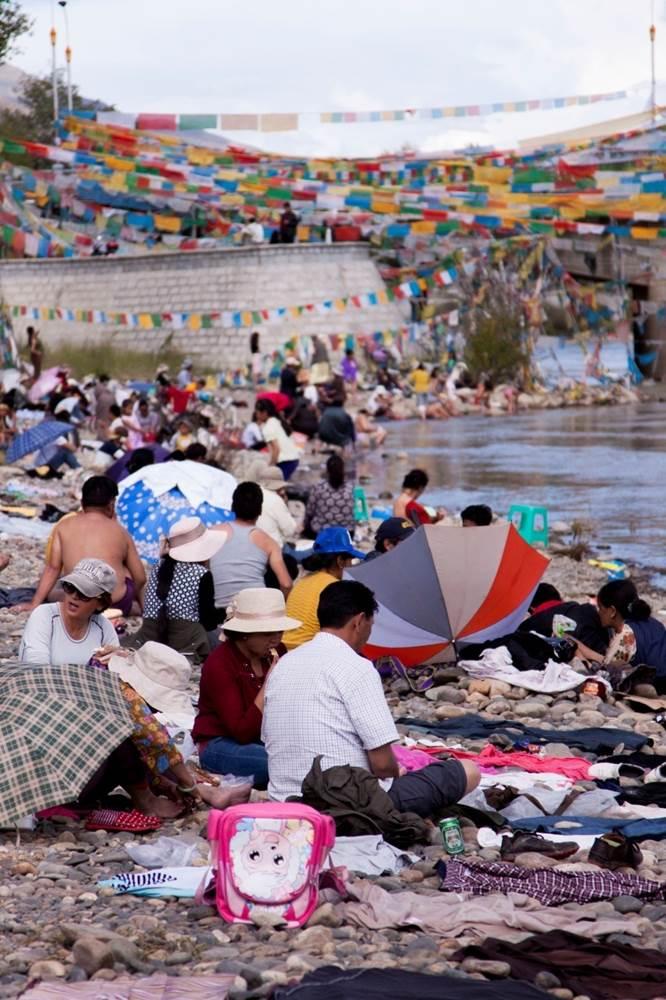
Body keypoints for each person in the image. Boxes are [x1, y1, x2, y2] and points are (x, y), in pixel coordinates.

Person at [262, 580, 480, 813]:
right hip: (348, 807)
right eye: (370, 625)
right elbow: (382, 764)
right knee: (468, 771)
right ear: (358, 622)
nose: (368, 634)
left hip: (285, 802)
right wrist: (397, 771)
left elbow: (268, 741)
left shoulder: (283, 665)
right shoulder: (357, 667)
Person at [193, 589, 301, 789]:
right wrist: (270, 681)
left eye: (280, 631)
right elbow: (241, 731)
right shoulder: (220, 663)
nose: (276, 638)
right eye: (268, 632)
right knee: (280, 764)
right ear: (244, 634)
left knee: (304, 755)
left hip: (262, 738)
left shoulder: (277, 652)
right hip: (219, 743)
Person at [23, 475, 146, 615]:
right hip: (114, 601)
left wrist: (35, 603)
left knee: (53, 593)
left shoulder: (63, 526)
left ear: (82, 502)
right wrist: (130, 594)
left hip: (78, 602)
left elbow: (53, 568)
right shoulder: (121, 532)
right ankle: (144, 611)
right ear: (111, 504)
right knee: (125, 567)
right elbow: (141, 578)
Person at [131, 517, 228, 661]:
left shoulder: (158, 566)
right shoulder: (201, 574)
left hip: (150, 635)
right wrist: (225, 614)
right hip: (185, 640)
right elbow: (208, 621)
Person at [209, 482, 292, 618]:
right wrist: (278, 611)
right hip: (256, 611)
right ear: (259, 510)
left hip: (219, 612)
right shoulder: (269, 542)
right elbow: (286, 584)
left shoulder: (213, 532)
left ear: (233, 506)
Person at [19, 558, 119, 666]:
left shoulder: (104, 628)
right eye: (70, 587)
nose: (74, 596)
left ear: (101, 604)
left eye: (83, 593)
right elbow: (35, 667)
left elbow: (119, 674)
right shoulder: (44, 615)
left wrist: (117, 661)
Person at [284, 527, 364, 650]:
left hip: (284, 651)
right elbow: (344, 636)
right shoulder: (335, 588)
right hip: (307, 653)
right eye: (350, 560)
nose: (351, 565)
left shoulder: (303, 580)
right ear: (340, 561)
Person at [573, 579, 666, 675]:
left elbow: (607, 669)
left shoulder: (625, 636)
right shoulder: (654, 623)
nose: (598, 612)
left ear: (612, 611)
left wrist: (578, 652)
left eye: (601, 608)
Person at [518, 582, 608, 656]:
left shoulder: (528, 627)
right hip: (607, 660)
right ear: (559, 598)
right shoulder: (588, 609)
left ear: (532, 608)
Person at [305, 455, 355, 537]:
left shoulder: (319, 487)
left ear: (327, 471)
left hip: (321, 533)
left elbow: (309, 512)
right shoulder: (351, 488)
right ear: (343, 470)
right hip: (346, 534)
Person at [254, 398, 300, 480]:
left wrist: (271, 465)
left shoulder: (267, 427)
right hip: (293, 458)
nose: (256, 415)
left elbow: (276, 449)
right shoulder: (276, 420)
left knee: (274, 485)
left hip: (285, 461)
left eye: (257, 412)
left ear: (264, 413)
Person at [257, 467, 297, 548]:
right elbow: (290, 530)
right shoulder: (276, 500)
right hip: (272, 549)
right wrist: (285, 504)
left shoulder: (251, 494)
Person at [31, 411, 80, 477]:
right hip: (45, 468)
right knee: (65, 452)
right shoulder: (57, 437)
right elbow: (73, 449)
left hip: (37, 465)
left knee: (63, 450)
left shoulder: (46, 433)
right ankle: (78, 468)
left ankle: (77, 467)